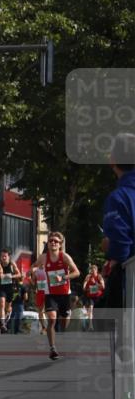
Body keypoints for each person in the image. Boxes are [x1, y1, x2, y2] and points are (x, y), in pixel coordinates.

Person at [100, 133, 135, 310]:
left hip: (129, 284)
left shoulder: (118, 198)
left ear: (112, 160)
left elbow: (121, 246)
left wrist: (109, 246)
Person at [35, 231, 80, 360]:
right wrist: (33, 272)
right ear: (48, 244)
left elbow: (77, 272)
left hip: (64, 294)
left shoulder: (65, 257)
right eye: (51, 241)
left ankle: (65, 341)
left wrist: (64, 277)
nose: (53, 243)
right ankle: (52, 348)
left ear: (60, 244)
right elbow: (33, 267)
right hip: (51, 294)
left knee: (64, 322)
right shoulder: (43, 257)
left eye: (56, 241)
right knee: (52, 319)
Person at [0, 248, 20, 333]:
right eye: (2, 256)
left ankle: (7, 316)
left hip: (10, 288)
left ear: (8, 257)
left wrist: (12, 276)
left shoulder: (12, 264)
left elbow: (19, 274)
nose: (3, 258)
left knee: (8, 307)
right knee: (1, 303)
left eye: (5, 256)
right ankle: (2, 324)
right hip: (2, 287)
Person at [82, 264, 105, 329]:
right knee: (90, 309)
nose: (92, 272)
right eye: (91, 270)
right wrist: (86, 288)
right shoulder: (88, 276)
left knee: (99, 312)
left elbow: (103, 287)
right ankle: (90, 326)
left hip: (98, 296)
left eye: (94, 270)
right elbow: (84, 286)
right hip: (90, 296)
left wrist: (95, 283)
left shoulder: (99, 276)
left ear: (96, 270)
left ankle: (100, 326)